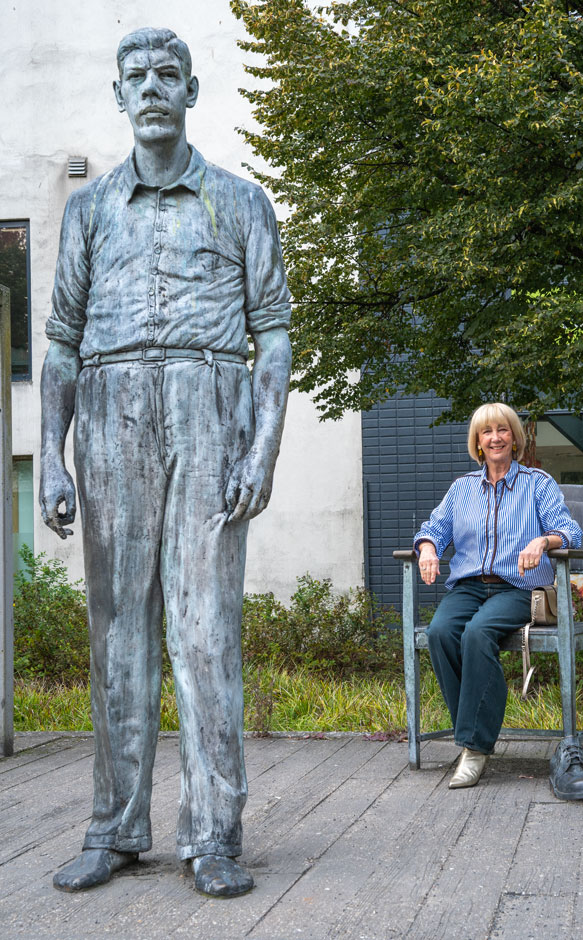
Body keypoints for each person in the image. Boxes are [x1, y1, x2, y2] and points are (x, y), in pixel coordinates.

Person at [39, 28, 292, 897]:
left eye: (166, 76)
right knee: (117, 632)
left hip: (209, 409)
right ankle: (114, 827)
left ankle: (214, 833)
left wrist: (263, 446)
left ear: (190, 91)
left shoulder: (241, 202)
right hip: (111, 417)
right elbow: (62, 343)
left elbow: (275, 333)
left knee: (204, 632)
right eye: (135, 77)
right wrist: (51, 459)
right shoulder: (89, 210)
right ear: (118, 96)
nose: (151, 88)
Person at [414, 403, 583, 789]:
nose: (495, 438)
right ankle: (475, 725)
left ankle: (474, 748)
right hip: (470, 585)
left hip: (520, 587)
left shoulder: (537, 483)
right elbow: (434, 527)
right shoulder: (461, 489)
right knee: (441, 632)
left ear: (514, 437)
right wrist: (427, 547)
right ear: (477, 441)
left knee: (477, 633)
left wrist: (543, 541)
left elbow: (569, 530)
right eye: (487, 432)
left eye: (503, 430)